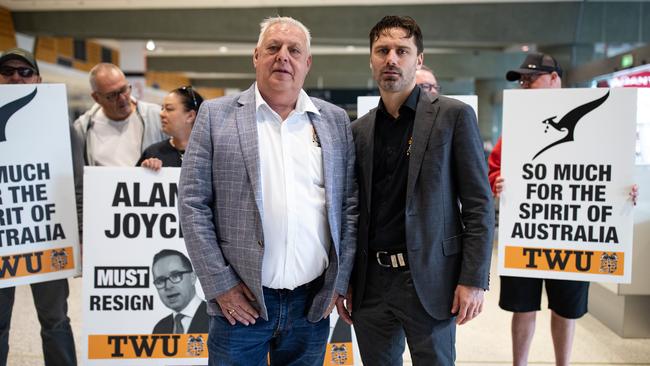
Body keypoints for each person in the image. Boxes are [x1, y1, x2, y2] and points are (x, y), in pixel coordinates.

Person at [178, 16, 357, 366]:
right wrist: (220, 286)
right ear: (256, 56)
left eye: (294, 50)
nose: (283, 57)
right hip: (241, 304)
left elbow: (349, 205)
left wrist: (339, 281)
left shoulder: (334, 121)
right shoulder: (216, 116)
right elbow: (193, 205)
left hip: (311, 305)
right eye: (273, 48)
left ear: (307, 63)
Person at [337, 16, 494, 365]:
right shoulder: (358, 131)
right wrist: (344, 280)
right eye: (382, 51)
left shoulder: (453, 117)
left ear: (418, 59)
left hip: (429, 278)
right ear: (372, 59)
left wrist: (473, 279)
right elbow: (352, 211)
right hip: (371, 285)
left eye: (402, 51)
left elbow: (478, 205)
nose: (391, 58)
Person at [490, 52, 584, 366]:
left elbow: (606, 168)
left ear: (554, 78)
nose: (525, 85)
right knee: (522, 306)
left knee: (566, 308)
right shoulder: (516, 125)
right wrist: (497, 182)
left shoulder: (589, 122)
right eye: (522, 81)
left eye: (531, 78)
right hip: (526, 231)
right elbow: (494, 168)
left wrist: (622, 192)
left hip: (571, 233)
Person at [0, 48, 77, 366]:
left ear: (39, 78)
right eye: (8, 71)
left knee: (55, 320)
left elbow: (76, 179)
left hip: (47, 236)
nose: (17, 76)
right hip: (4, 235)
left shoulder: (58, 120)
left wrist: (80, 234)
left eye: (25, 71)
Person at [72, 63, 165, 167]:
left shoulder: (157, 117)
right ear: (96, 98)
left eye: (124, 90)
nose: (122, 98)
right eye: (112, 95)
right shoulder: (82, 129)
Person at [138, 86, 204, 170]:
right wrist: (144, 171)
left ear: (190, 116)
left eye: (169, 109)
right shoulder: (153, 153)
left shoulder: (210, 155)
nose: (161, 113)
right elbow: (133, 180)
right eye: (162, 108)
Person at [151, 249, 208, 334]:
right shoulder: (160, 329)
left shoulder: (216, 318)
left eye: (175, 276)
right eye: (160, 281)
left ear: (193, 277)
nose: (168, 286)